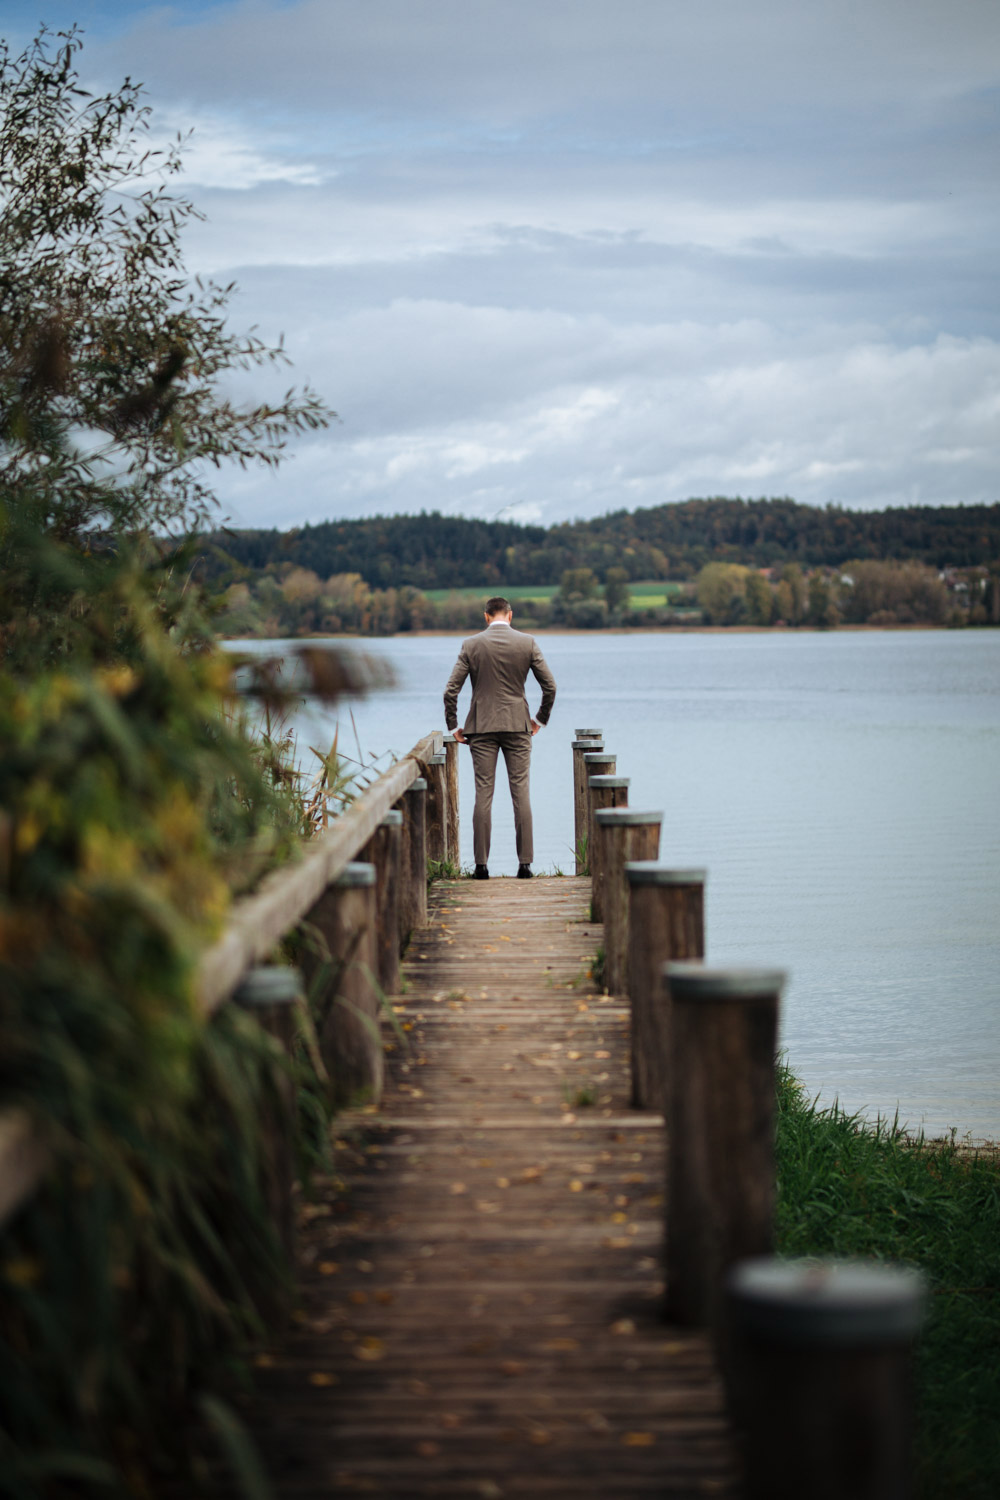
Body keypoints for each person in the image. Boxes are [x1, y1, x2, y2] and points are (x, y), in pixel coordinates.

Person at [443, 596, 556, 879]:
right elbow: (550, 687)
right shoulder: (528, 643)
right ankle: (525, 865)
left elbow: (450, 691)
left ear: (486, 616)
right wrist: (540, 719)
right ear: (510, 615)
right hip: (519, 725)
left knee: (483, 794)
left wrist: (454, 725)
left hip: (481, 726)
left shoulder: (471, 645)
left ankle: (481, 866)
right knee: (521, 792)